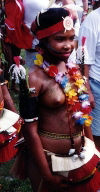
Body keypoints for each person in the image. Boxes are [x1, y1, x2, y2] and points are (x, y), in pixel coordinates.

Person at [15, 8, 100, 192]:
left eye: (71, 38)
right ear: (43, 41)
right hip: (48, 162)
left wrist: (94, 152)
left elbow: (84, 116)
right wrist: (47, 175)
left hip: (79, 157)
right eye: (60, 39)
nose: (68, 45)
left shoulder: (73, 70)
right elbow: (30, 132)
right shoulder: (33, 79)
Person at [77, 2, 100, 150]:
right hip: (96, 85)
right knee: (97, 134)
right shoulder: (93, 19)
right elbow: (83, 58)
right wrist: (87, 91)